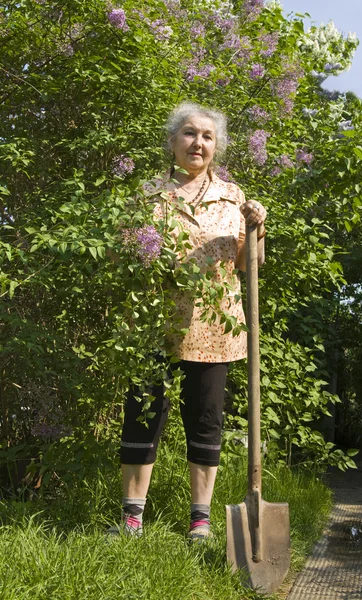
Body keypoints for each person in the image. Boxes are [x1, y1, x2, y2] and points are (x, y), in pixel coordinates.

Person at [109, 101, 267, 541]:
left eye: (207, 137)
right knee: (143, 414)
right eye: (190, 134)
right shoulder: (147, 195)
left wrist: (257, 228)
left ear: (216, 147)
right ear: (173, 140)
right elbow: (123, 257)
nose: (198, 143)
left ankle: (200, 521)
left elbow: (249, 264)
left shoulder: (234, 198)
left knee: (206, 418)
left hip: (216, 327)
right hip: (152, 323)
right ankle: (131, 519)